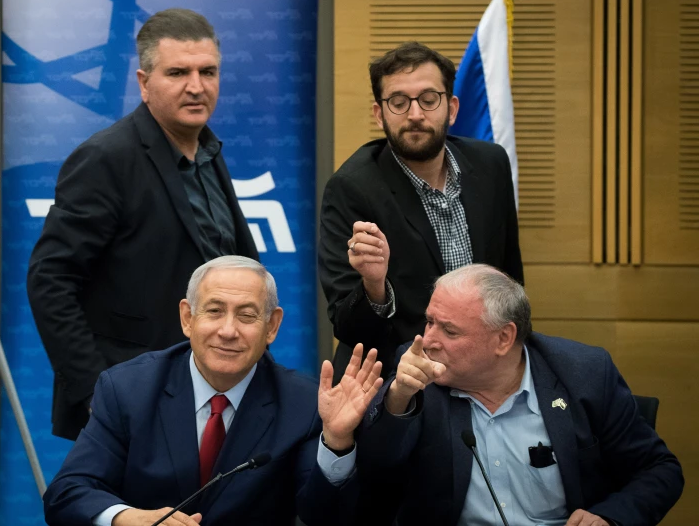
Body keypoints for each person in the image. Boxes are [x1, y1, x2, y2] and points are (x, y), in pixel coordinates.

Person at [27, 8, 258, 440]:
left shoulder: (209, 153)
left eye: (208, 72)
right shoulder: (105, 159)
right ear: (143, 82)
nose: (196, 86)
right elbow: (50, 280)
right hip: (132, 404)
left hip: (215, 396)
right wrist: (99, 394)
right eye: (177, 72)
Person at [43, 256, 383, 525]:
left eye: (247, 316)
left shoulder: (303, 404)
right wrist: (125, 517)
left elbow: (325, 516)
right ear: (188, 318)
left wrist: (337, 442)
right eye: (215, 311)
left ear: (272, 326)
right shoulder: (127, 389)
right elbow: (66, 494)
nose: (228, 331)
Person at [359, 264, 683, 526]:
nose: (428, 340)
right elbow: (375, 470)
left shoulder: (585, 374)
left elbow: (659, 470)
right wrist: (399, 397)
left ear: (504, 339)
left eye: (450, 330)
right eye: (429, 321)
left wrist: (609, 518)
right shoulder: (418, 372)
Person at [318, 41, 523, 375]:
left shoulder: (491, 165)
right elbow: (349, 329)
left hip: (483, 369)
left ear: (452, 108)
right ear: (379, 113)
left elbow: (510, 277)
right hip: (399, 375)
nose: (415, 114)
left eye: (429, 100)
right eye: (398, 102)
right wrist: (374, 286)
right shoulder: (351, 189)